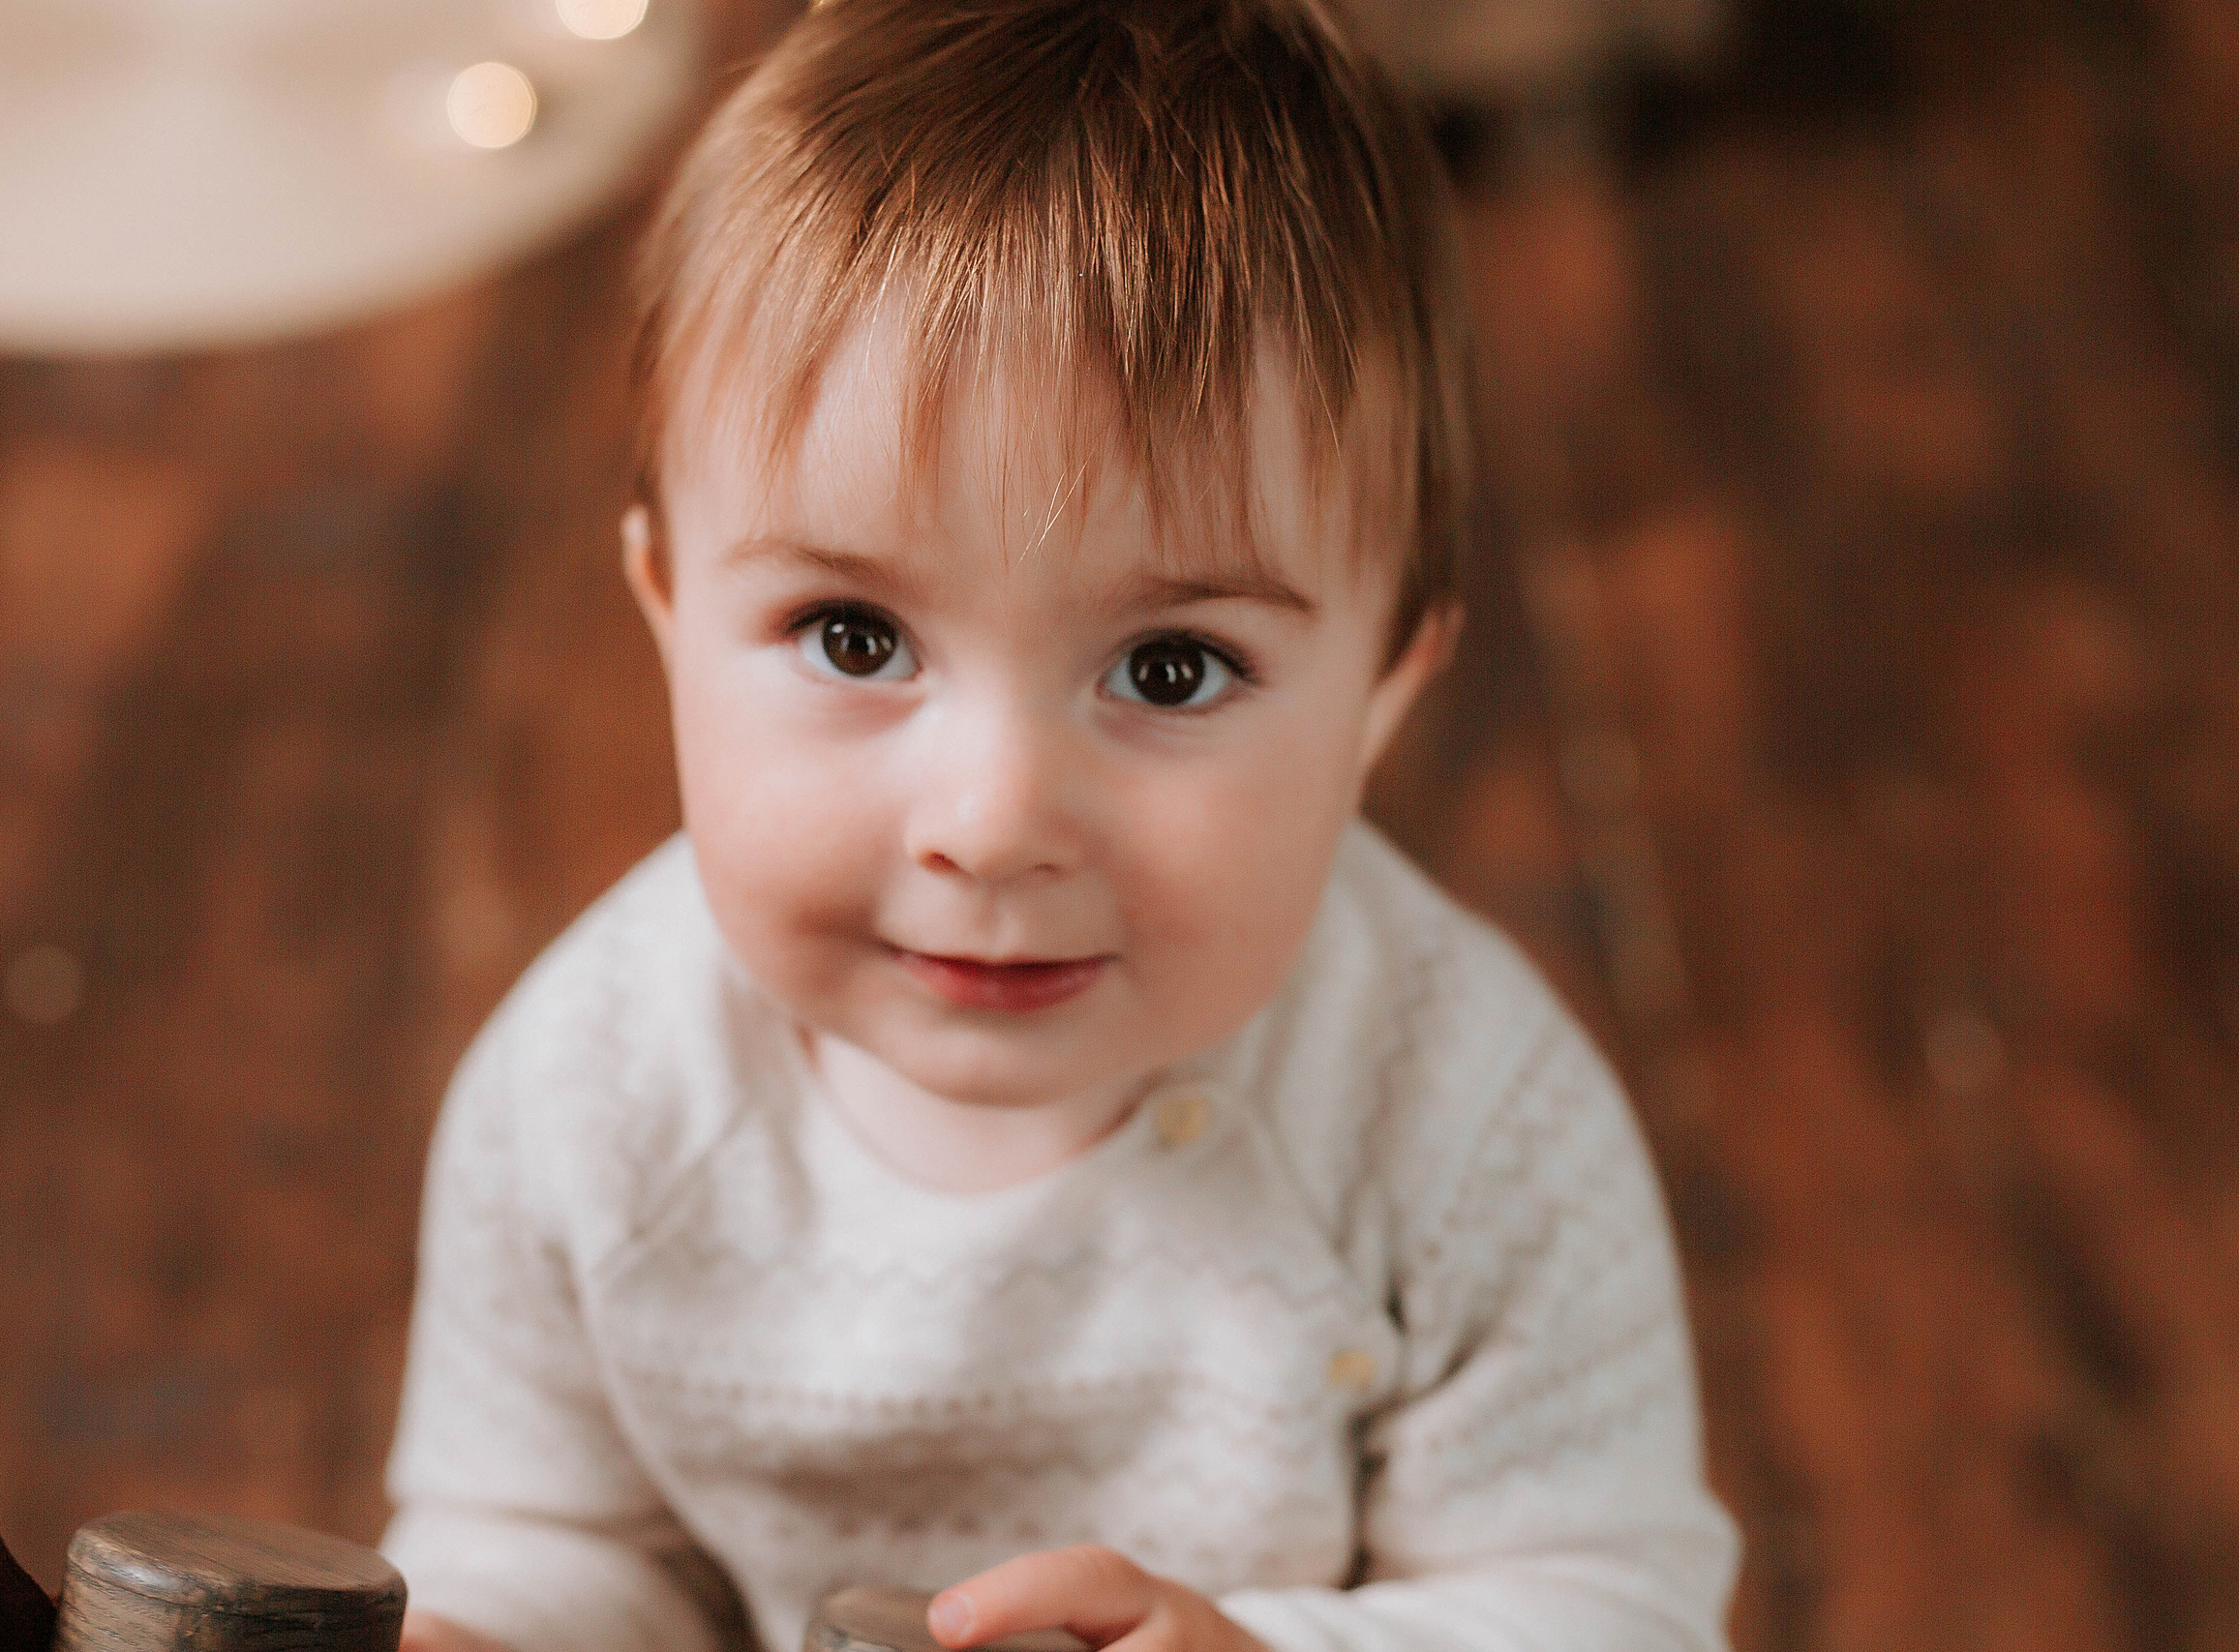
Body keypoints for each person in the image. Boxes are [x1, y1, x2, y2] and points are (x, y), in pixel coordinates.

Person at [380, 3, 1740, 1652]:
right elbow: (551, 1536)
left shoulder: (1462, 1125)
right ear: (666, 607)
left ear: (1386, 688)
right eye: (856, 638)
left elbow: (1607, 1606)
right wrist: (482, 1634)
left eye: (1171, 668)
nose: (995, 823)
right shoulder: (593, 1095)